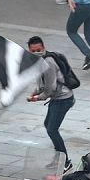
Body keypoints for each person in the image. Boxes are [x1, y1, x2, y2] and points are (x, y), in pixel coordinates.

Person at [26, 36, 76, 172]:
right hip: (57, 98)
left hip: (63, 99)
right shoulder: (39, 62)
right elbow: (42, 84)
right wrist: (34, 93)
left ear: (44, 48)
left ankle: (65, 161)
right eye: (33, 51)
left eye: (39, 50)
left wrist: (36, 98)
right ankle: (58, 158)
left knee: (52, 129)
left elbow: (50, 89)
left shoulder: (48, 63)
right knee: (48, 125)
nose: (37, 52)